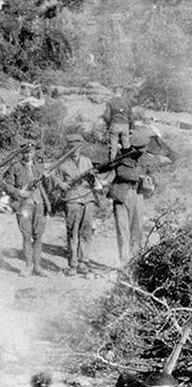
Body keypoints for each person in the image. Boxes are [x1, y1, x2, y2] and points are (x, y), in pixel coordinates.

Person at [98, 131, 155, 266]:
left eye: (144, 148)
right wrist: (139, 177)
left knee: (137, 229)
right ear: (135, 147)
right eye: (140, 148)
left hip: (138, 194)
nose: (143, 151)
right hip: (122, 194)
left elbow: (152, 174)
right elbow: (120, 172)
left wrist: (151, 183)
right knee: (123, 230)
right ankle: (124, 262)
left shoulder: (146, 159)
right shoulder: (123, 156)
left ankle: (135, 261)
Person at [2, 139, 52, 277]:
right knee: (26, 236)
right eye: (25, 152)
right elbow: (6, 185)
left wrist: (47, 178)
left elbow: (49, 187)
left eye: (30, 152)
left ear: (34, 152)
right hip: (23, 206)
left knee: (38, 236)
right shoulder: (15, 167)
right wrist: (19, 192)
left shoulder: (39, 167)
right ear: (21, 153)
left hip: (39, 204)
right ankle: (28, 266)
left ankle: (38, 266)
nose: (28, 155)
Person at [54, 134, 97, 276]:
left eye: (79, 146)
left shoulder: (87, 161)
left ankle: (84, 261)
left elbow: (94, 181)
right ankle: (73, 263)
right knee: (73, 233)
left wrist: (93, 178)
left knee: (86, 232)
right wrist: (62, 185)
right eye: (73, 147)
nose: (76, 149)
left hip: (87, 198)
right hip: (72, 200)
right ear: (68, 147)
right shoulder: (62, 163)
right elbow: (55, 179)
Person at [103, 87, 133, 161]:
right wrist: (131, 127)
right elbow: (131, 116)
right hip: (125, 125)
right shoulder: (127, 101)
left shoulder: (110, 101)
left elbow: (107, 116)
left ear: (114, 92)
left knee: (114, 145)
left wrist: (108, 124)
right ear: (122, 92)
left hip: (115, 124)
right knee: (126, 143)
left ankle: (112, 161)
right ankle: (127, 160)